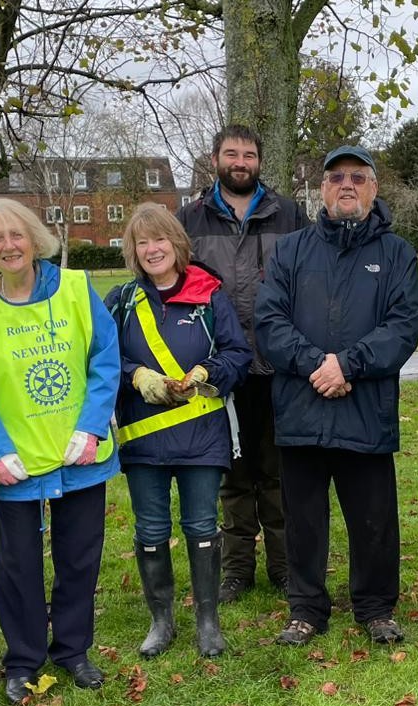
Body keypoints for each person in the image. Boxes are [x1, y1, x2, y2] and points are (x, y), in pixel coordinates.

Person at [254, 145, 418, 647]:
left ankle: (375, 607)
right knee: (303, 520)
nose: (346, 184)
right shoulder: (290, 250)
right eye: (335, 177)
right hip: (301, 409)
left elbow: (402, 325)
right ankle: (306, 609)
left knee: (373, 519)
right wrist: (316, 365)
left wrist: (347, 364)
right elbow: (269, 321)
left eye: (358, 176)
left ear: (373, 188)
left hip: (364, 410)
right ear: (320, 189)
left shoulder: (396, 254)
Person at [0, 199, 120, 704]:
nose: (9, 245)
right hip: (16, 463)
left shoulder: (76, 288)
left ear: (35, 239)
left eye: (17, 235)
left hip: (79, 453)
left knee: (79, 558)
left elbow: (105, 357)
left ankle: (73, 651)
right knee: (18, 567)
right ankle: (23, 660)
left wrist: (92, 426)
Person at [106, 203, 252, 659]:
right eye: (142, 242)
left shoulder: (210, 296)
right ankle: (161, 621)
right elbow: (102, 360)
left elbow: (238, 353)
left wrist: (208, 371)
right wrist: (139, 378)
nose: (153, 249)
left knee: (202, 525)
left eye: (160, 239)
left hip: (202, 435)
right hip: (144, 436)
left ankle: (208, 623)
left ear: (177, 244)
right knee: (150, 529)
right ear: (133, 250)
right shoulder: (122, 301)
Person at [177, 125, 311, 602]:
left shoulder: (290, 214)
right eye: (231, 153)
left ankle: (283, 566)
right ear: (215, 158)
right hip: (221, 369)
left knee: (278, 475)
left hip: (278, 367)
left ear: (259, 161)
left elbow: (308, 283)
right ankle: (236, 571)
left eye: (249, 154)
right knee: (232, 477)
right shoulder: (190, 219)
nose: (240, 162)